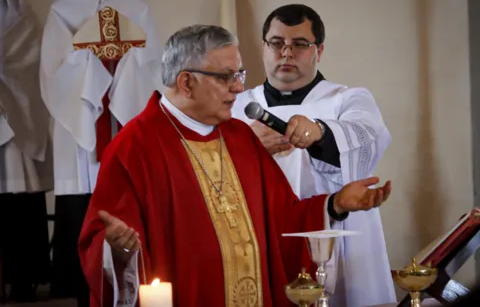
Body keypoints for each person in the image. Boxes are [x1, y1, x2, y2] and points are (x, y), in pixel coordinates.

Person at [78, 24, 393, 307]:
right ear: (186, 82)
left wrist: (336, 203)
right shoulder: (134, 147)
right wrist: (117, 251)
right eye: (227, 77)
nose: (239, 88)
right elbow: (102, 246)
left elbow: (283, 220)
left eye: (240, 74)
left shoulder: (240, 136)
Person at [232, 4, 395, 307]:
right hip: (259, 240)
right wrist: (244, 148)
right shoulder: (236, 106)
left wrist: (320, 132)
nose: (287, 53)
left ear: (319, 50)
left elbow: (368, 139)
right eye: (277, 43)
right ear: (265, 47)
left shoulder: (348, 99)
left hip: (340, 242)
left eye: (300, 44)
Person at [39, 0, 162, 305]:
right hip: (82, 113)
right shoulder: (63, 7)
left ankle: (127, 290)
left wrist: (124, 61)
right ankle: (82, 290)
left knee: (125, 196)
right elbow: (53, 69)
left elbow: (152, 62)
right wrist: (89, 59)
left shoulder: (135, 6)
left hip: (121, 115)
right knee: (81, 204)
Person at [0, 0, 52, 302]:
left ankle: (25, 278)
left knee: (17, 197)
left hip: (13, 120)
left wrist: (5, 85)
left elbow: (32, 64)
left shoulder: (20, 13)